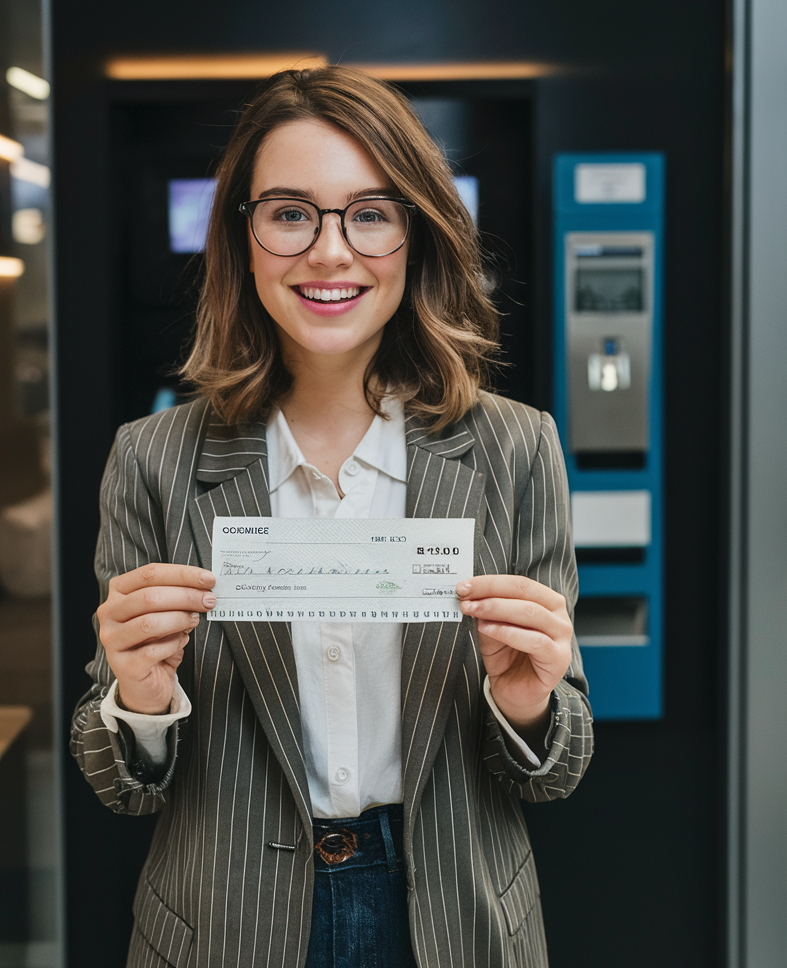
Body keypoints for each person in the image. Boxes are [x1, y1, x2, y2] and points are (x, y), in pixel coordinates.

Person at [71, 65, 593, 968]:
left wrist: (527, 706)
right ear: (244, 238)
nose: (329, 251)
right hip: (225, 924)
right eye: (289, 213)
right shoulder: (152, 460)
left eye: (371, 213)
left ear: (415, 237)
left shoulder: (515, 449)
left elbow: (557, 767)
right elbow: (121, 783)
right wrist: (140, 703)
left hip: (454, 921)